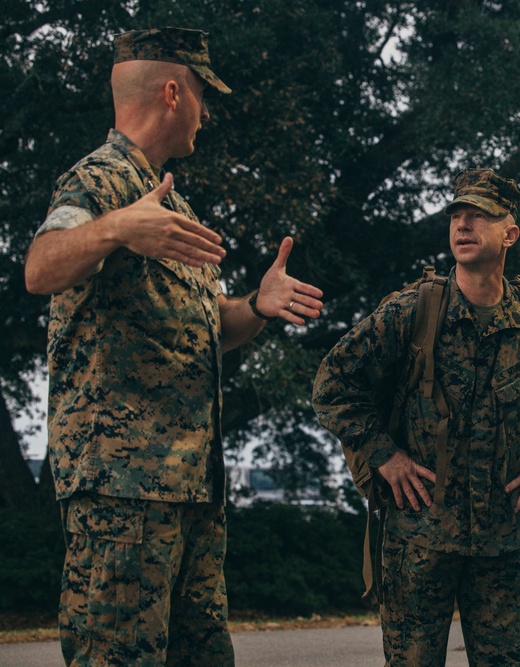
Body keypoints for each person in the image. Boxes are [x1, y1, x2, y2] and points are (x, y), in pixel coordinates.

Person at [23, 27, 324, 666]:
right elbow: (40, 268)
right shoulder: (99, 182)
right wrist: (115, 228)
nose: (206, 113)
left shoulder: (168, 199)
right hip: (123, 490)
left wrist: (256, 307)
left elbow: (206, 327)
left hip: (189, 488)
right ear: (171, 92)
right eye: (202, 96)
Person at [312, 168, 520, 666]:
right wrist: (384, 455)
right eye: (456, 215)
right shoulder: (411, 311)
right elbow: (332, 384)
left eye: (479, 216)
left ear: (509, 234)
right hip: (417, 540)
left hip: (504, 544)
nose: (463, 226)